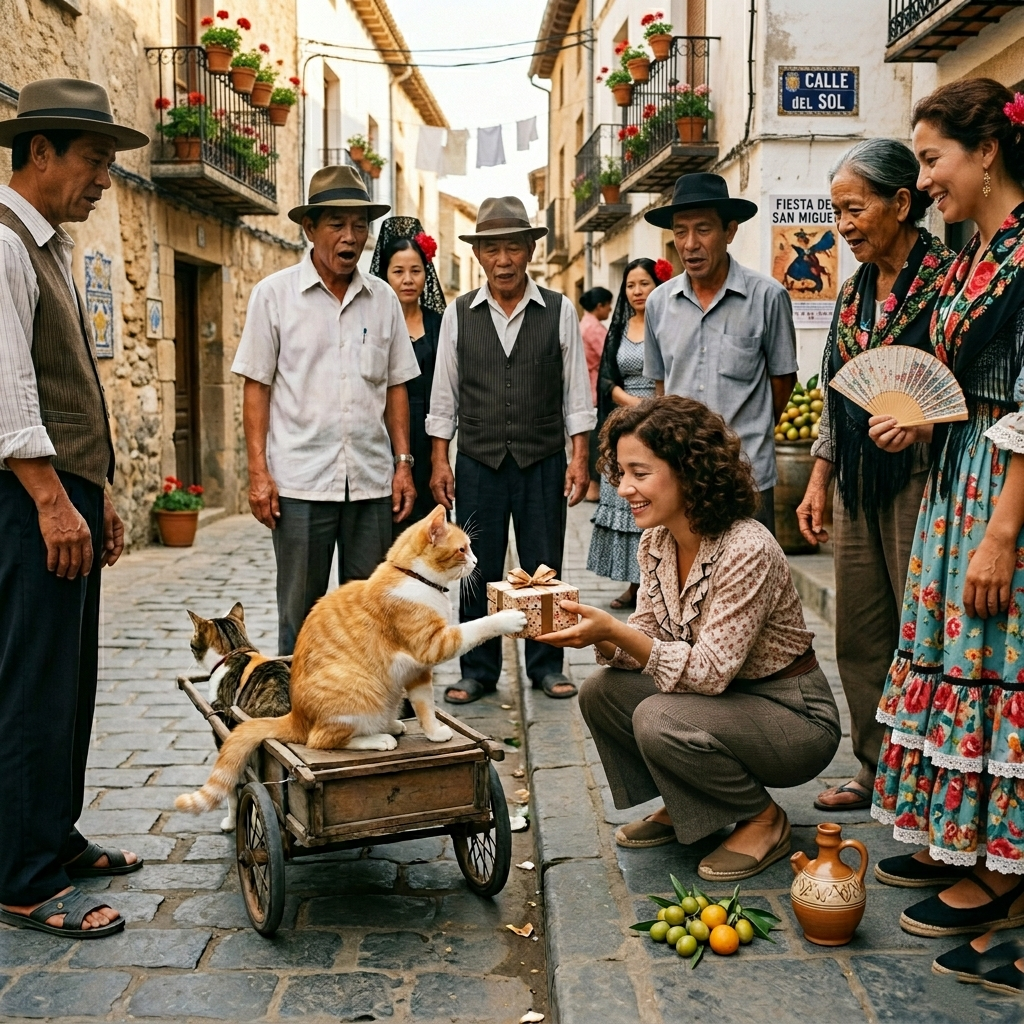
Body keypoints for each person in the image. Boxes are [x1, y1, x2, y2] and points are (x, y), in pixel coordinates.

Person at [541, 397, 840, 879]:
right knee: (601, 691)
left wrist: (614, 630)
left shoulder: (748, 546)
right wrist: (595, 636)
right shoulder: (656, 541)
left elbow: (707, 673)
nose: (624, 488)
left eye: (640, 472)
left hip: (793, 715)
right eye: (620, 472)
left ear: (688, 470)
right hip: (725, 702)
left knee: (661, 716)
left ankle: (764, 819)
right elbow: (647, 635)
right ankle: (691, 805)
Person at [868, 79, 1024, 960]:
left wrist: (1003, 530)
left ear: (988, 151)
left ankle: (1005, 871)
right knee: (959, 653)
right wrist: (926, 417)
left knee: (997, 664)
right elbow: (971, 387)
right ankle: (969, 834)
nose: (923, 181)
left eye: (932, 160)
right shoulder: (978, 252)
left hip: (1007, 490)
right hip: (962, 475)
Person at [0, 79, 149, 939]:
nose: (104, 179)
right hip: (27, 503)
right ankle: (20, 877)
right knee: (29, 684)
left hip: (65, 495)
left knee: (70, 681)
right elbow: (11, 394)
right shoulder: (5, 244)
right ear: (41, 152)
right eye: (95, 161)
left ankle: (52, 835)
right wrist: (56, 503)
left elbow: (66, 386)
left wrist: (99, 497)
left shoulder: (44, 245)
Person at [795, 140, 954, 814]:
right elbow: (838, 392)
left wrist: (926, 421)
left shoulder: (948, 279)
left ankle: (932, 769)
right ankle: (873, 766)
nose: (845, 224)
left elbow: (972, 393)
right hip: (859, 480)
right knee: (861, 632)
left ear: (901, 202)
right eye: (838, 211)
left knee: (923, 629)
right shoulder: (855, 290)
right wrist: (817, 477)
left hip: (925, 478)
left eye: (855, 209)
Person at [233, 165, 420, 655]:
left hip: (370, 481)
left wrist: (404, 464)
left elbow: (396, 386)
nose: (350, 236)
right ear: (309, 228)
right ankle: (299, 717)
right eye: (336, 223)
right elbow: (257, 387)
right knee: (301, 613)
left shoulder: (382, 299)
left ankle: (372, 712)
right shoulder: (273, 296)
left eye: (360, 225)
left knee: (375, 611)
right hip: (299, 484)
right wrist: (258, 473)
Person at [427, 196, 596, 703]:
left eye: (513, 248)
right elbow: (444, 391)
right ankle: (478, 670)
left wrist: (580, 457)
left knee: (544, 565)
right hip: (478, 459)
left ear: (528, 252)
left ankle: (547, 663)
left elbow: (575, 392)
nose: (503, 260)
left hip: (542, 457)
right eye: (493, 249)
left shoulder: (559, 310)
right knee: (473, 565)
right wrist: (440, 457)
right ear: (479, 256)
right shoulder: (459, 314)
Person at [643, 173, 798, 534]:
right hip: (679, 476)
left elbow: (783, 382)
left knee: (749, 582)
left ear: (729, 232)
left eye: (703, 229)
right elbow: (661, 389)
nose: (690, 243)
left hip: (747, 477)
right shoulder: (658, 304)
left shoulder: (767, 298)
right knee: (683, 583)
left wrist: (749, 435)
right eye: (680, 231)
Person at [587, 258, 664, 609]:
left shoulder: (667, 322)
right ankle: (635, 585)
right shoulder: (617, 329)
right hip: (624, 421)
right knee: (630, 499)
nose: (636, 291)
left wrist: (650, 408)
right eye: (630, 285)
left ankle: (659, 585)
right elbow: (606, 378)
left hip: (661, 420)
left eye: (643, 284)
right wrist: (630, 403)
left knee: (657, 500)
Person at [370, 216, 446, 533]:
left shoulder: (441, 324)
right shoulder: (372, 325)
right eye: (398, 271)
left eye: (415, 271)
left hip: (430, 442)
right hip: (382, 437)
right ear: (384, 275)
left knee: (428, 537)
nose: (407, 280)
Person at [579, 285, 613, 501]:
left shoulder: (584, 325)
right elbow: (609, 356)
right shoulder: (594, 329)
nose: (610, 310)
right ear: (599, 305)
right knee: (596, 441)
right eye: (608, 305)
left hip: (587, 390)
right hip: (594, 389)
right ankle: (594, 488)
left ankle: (592, 488)